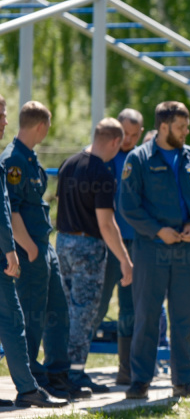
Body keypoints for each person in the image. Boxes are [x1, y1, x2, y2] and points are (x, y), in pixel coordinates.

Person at [121, 101, 190, 400]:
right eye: (180, 127)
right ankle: (140, 381)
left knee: (183, 317)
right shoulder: (139, 159)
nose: (186, 132)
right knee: (147, 316)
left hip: (185, 250)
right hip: (151, 250)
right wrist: (156, 230)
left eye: (186, 127)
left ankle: (183, 382)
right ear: (163, 127)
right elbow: (127, 206)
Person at [0, 101, 90, 401]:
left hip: (42, 245)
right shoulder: (13, 159)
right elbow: (9, 210)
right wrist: (28, 248)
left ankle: (55, 374)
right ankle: (31, 380)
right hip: (29, 249)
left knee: (57, 311)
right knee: (31, 317)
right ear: (42, 125)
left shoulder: (29, 158)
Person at [55, 118, 134, 394]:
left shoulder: (69, 163)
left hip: (62, 242)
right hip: (88, 248)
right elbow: (106, 224)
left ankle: (58, 369)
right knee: (83, 313)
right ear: (115, 142)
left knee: (65, 310)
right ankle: (75, 375)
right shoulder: (101, 172)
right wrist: (124, 259)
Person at [92, 108, 145, 385]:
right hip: (105, 242)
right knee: (95, 305)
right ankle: (69, 368)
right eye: (126, 134)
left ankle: (127, 369)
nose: (130, 140)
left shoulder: (141, 158)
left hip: (135, 242)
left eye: (136, 135)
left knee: (131, 308)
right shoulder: (100, 157)